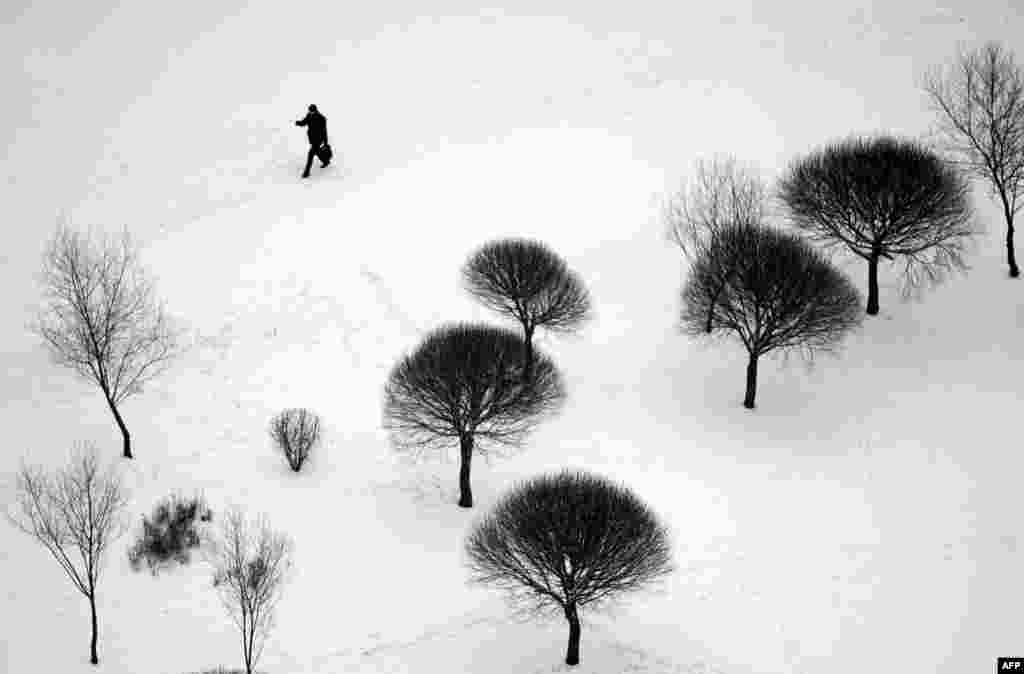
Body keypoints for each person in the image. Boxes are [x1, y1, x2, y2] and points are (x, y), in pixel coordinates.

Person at [295, 104, 329, 178]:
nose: (311, 112)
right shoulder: (309, 115)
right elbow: (304, 122)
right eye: (310, 111)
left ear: (315, 110)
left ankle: (306, 172)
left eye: (312, 111)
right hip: (312, 139)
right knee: (317, 152)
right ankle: (326, 161)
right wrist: (299, 123)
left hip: (318, 139)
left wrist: (325, 142)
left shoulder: (321, 118)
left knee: (310, 154)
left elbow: (324, 131)